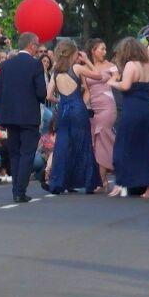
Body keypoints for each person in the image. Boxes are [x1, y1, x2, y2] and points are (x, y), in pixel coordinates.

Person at [109, 30, 149, 198]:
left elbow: (126, 86)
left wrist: (112, 82)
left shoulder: (130, 65)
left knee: (125, 145)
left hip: (133, 109)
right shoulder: (148, 62)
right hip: (148, 108)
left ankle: (123, 180)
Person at [0, 32, 47, 202]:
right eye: (37, 45)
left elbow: (0, 92)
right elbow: (41, 92)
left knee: (15, 153)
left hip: (10, 116)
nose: (38, 48)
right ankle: (20, 190)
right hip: (29, 116)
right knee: (27, 153)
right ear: (31, 45)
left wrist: (0, 117)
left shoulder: (6, 65)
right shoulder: (35, 65)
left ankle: (15, 190)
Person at [45, 40, 99, 194]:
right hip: (77, 108)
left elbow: (48, 95)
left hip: (63, 109)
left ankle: (59, 182)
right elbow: (98, 75)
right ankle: (88, 182)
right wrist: (87, 60)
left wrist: (60, 100)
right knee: (83, 143)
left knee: (62, 146)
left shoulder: (55, 72)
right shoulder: (77, 68)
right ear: (73, 53)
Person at [82, 39, 119, 191]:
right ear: (93, 50)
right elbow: (86, 90)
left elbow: (116, 78)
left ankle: (107, 176)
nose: (104, 52)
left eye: (105, 49)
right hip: (94, 108)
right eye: (101, 49)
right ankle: (102, 180)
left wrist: (110, 81)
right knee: (96, 143)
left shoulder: (111, 66)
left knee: (104, 136)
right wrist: (82, 107)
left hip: (107, 105)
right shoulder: (85, 68)